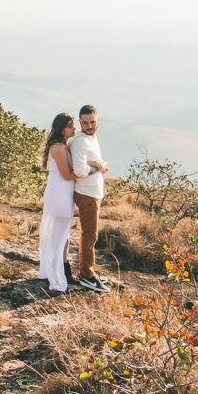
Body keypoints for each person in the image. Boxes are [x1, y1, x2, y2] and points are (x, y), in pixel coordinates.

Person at [69, 104, 110, 293]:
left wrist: (96, 164)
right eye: (85, 122)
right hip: (86, 194)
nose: (89, 126)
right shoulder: (81, 142)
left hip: (93, 192)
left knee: (90, 235)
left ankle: (88, 271)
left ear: (98, 121)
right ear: (80, 122)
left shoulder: (91, 138)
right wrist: (97, 167)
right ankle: (87, 275)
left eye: (92, 122)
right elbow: (78, 170)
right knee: (89, 235)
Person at [38, 113, 79, 296]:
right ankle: (57, 275)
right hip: (60, 194)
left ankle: (61, 268)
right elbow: (67, 175)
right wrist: (92, 169)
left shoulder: (62, 146)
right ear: (62, 128)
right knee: (59, 236)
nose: (74, 129)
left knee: (63, 235)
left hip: (62, 192)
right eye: (71, 126)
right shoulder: (59, 149)